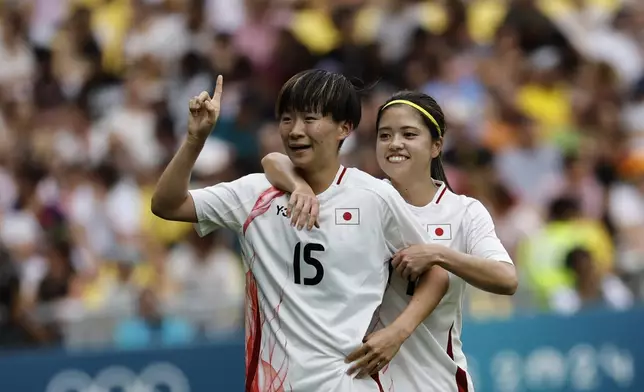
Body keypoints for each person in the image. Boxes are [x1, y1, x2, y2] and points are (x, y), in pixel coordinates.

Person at [151, 71, 448, 392]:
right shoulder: (255, 193)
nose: (295, 131)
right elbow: (168, 204)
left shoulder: (375, 197)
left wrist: (397, 333)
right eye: (287, 119)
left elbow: (435, 272)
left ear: (344, 127)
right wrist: (195, 138)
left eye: (309, 119)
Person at [262, 91, 517, 391]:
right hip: (362, 382)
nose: (395, 144)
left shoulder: (464, 211)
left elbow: (506, 278)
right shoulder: (363, 197)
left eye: (408, 134)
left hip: (435, 382)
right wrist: (299, 186)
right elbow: (274, 160)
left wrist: (438, 254)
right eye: (385, 135)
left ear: (436, 145)